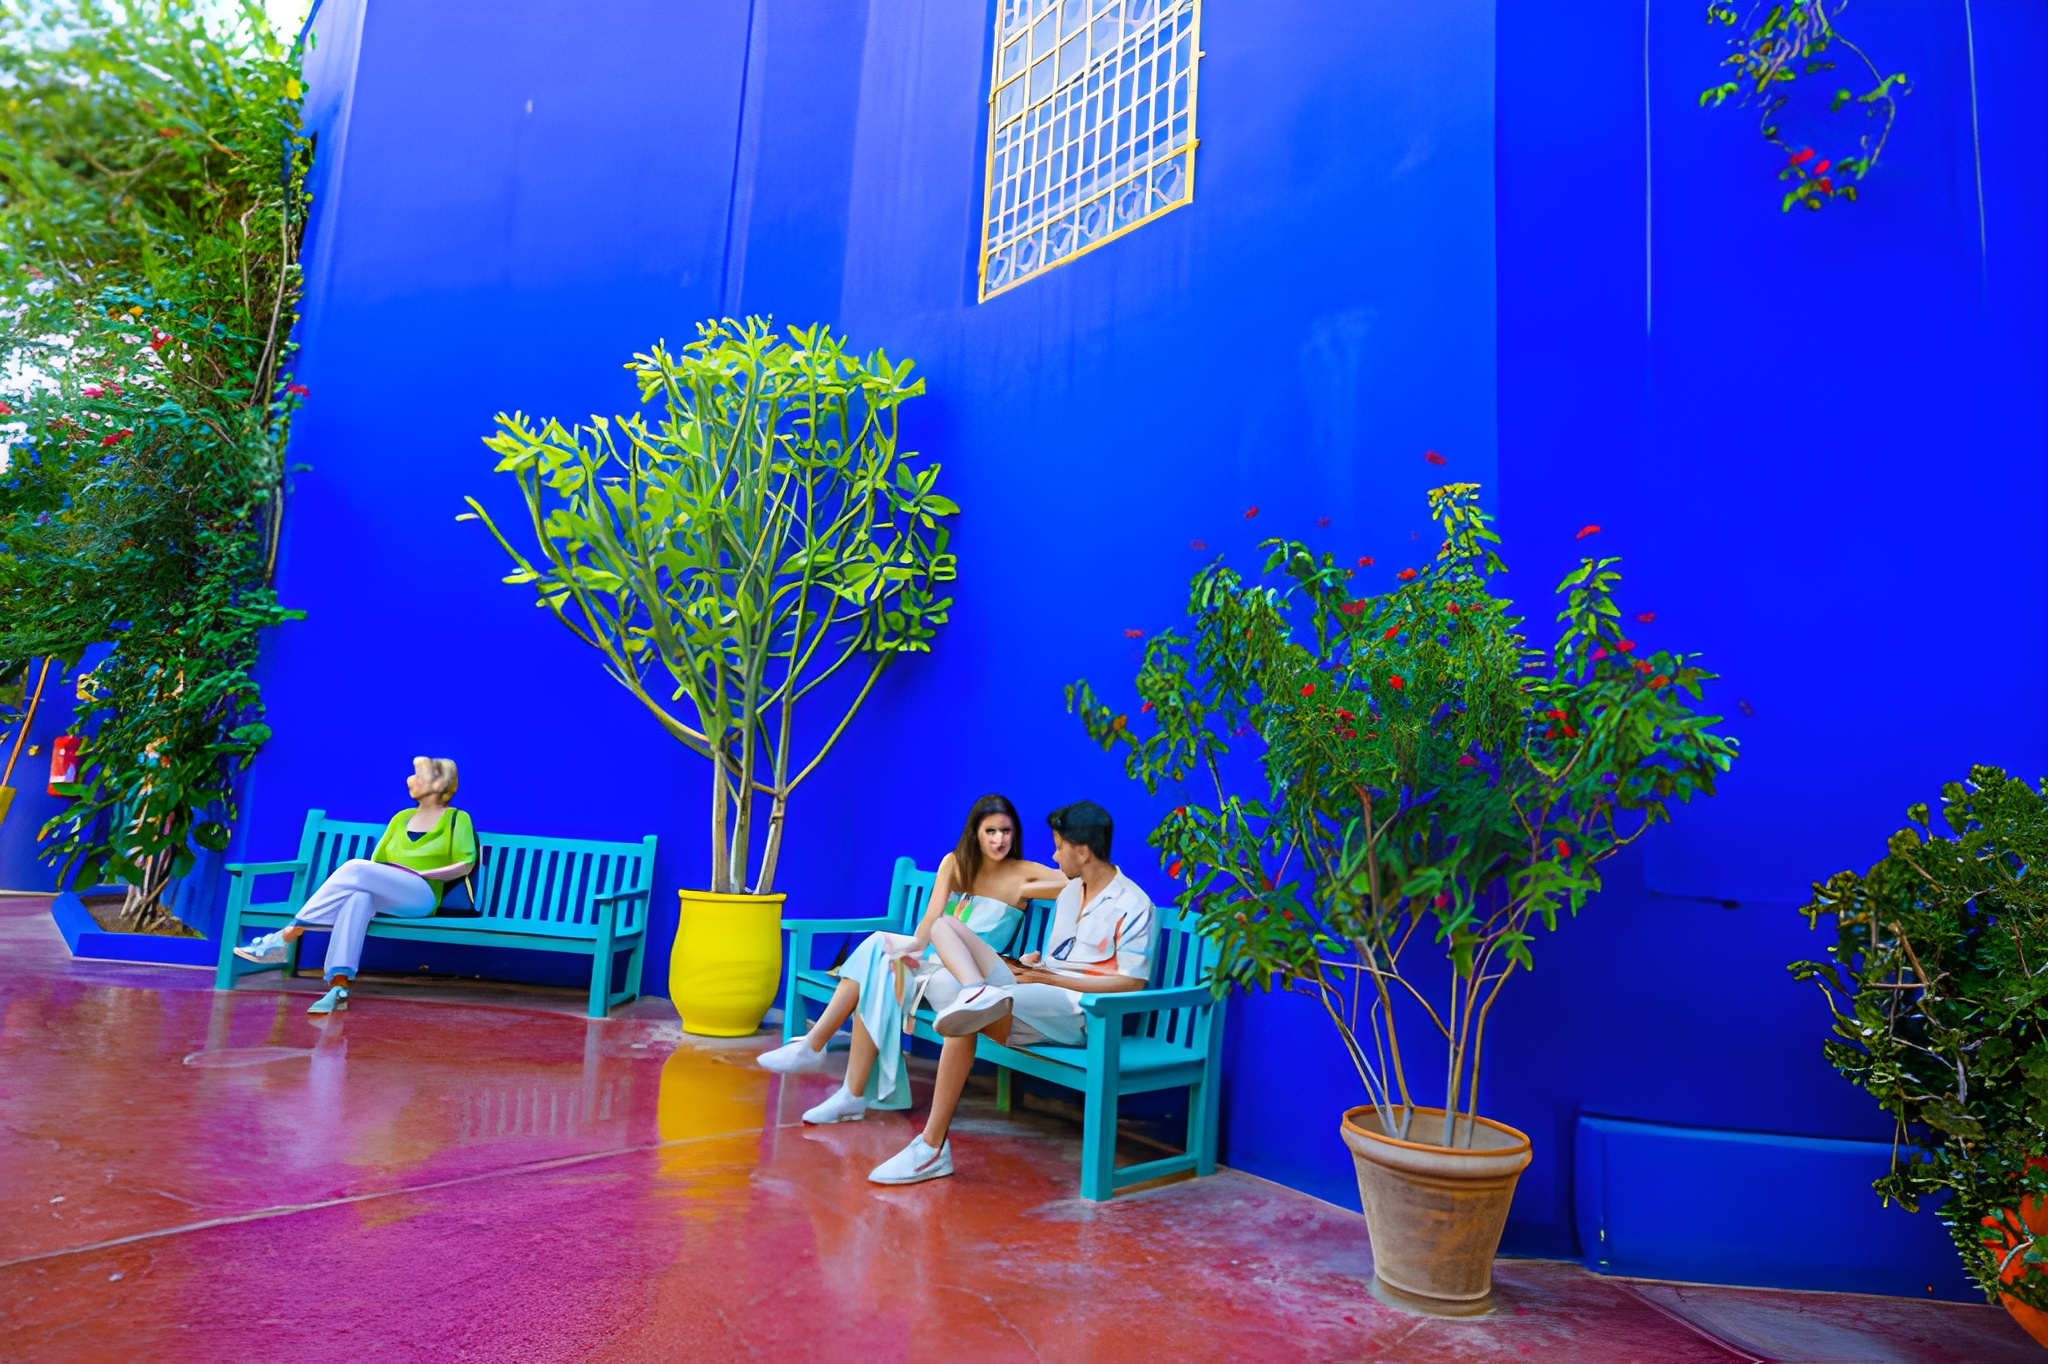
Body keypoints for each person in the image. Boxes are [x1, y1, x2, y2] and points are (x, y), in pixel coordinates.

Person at [866, 799, 1158, 1186]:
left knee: (965, 1018)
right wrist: (1034, 964)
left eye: (1058, 847)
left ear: (1082, 851)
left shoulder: (1135, 905)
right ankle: (975, 990)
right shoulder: (1072, 894)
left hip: (1081, 1012)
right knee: (945, 929)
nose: (1054, 857)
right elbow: (1061, 958)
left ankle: (931, 1148)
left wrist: (1053, 979)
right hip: (1038, 990)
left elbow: (1131, 983)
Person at [756, 793, 1064, 1123]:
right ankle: (841, 1083)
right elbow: (931, 921)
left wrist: (1032, 961)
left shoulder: (1025, 875)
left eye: (1006, 831)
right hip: (933, 962)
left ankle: (829, 1067)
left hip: (968, 981)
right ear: (975, 832)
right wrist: (909, 949)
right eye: (990, 831)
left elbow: (1080, 880)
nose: (999, 839)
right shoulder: (956, 863)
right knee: (881, 958)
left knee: (879, 969)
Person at [233, 757, 477, 1015]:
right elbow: (377, 864)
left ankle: (286, 935)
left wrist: (422, 872)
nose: (410, 780)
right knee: (358, 898)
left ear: (438, 783)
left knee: (355, 868)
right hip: (391, 892)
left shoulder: (457, 819)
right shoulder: (401, 818)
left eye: (418, 775)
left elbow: (465, 864)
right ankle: (339, 987)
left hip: (422, 895)